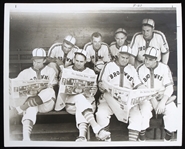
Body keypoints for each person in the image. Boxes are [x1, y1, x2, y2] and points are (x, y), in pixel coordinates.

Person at [55, 49, 111, 142]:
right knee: (80, 99)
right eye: (77, 60)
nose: (78, 63)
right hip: (70, 104)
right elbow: (61, 89)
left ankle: (82, 136)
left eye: (81, 61)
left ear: (85, 61)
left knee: (80, 104)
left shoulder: (90, 72)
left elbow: (93, 92)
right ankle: (96, 128)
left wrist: (93, 90)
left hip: (88, 103)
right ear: (73, 60)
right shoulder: (67, 70)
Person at [96, 45, 147, 141]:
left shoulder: (132, 69)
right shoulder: (108, 66)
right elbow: (101, 83)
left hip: (127, 101)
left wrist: (146, 90)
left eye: (127, 58)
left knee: (137, 116)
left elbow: (139, 85)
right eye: (123, 57)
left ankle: (132, 144)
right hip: (109, 99)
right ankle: (106, 142)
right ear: (118, 55)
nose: (124, 60)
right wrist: (103, 87)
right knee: (101, 114)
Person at [9, 48, 58, 141]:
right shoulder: (25, 72)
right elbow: (15, 84)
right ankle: (26, 138)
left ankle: (20, 109)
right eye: (34, 61)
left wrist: (43, 88)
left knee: (49, 91)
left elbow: (53, 86)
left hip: (46, 104)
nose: (36, 64)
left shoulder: (50, 71)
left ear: (44, 60)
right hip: (32, 104)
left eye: (39, 62)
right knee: (30, 107)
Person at [137, 46, 177, 141]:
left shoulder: (163, 68)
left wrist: (163, 101)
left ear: (156, 59)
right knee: (144, 111)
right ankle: (141, 137)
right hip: (146, 97)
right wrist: (153, 100)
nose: (147, 61)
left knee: (172, 110)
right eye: (146, 58)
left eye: (150, 59)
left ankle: (168, 137)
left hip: (162, 96)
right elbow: (140, 87)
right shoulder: (140, 69)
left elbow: (169, 86)